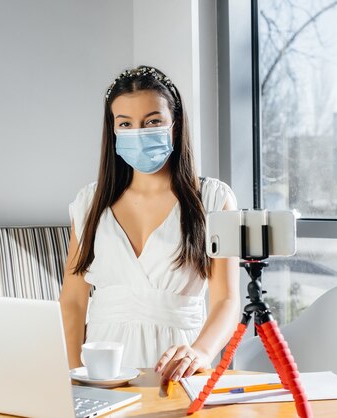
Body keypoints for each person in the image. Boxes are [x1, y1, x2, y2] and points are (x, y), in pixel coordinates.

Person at [59, 65, 241, 384]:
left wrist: (200, 352)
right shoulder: (88, 203)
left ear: (176, 123)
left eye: (152, 121)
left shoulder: (214, 199)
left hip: (179, 365)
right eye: (125, 124)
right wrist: (73, 375)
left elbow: (227, 300)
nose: (139, 133)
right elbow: (72, 300)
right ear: (112, 130)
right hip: (102, 368)